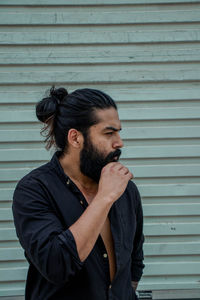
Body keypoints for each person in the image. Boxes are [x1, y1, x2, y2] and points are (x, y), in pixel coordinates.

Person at [12, 87, 145, 300]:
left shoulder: (126, 190)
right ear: (75, 138)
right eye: (109, 133)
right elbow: (56, 265)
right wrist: (104, 198)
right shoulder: (35, 189)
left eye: (119, 132)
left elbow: (135, 257)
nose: (119, 142)